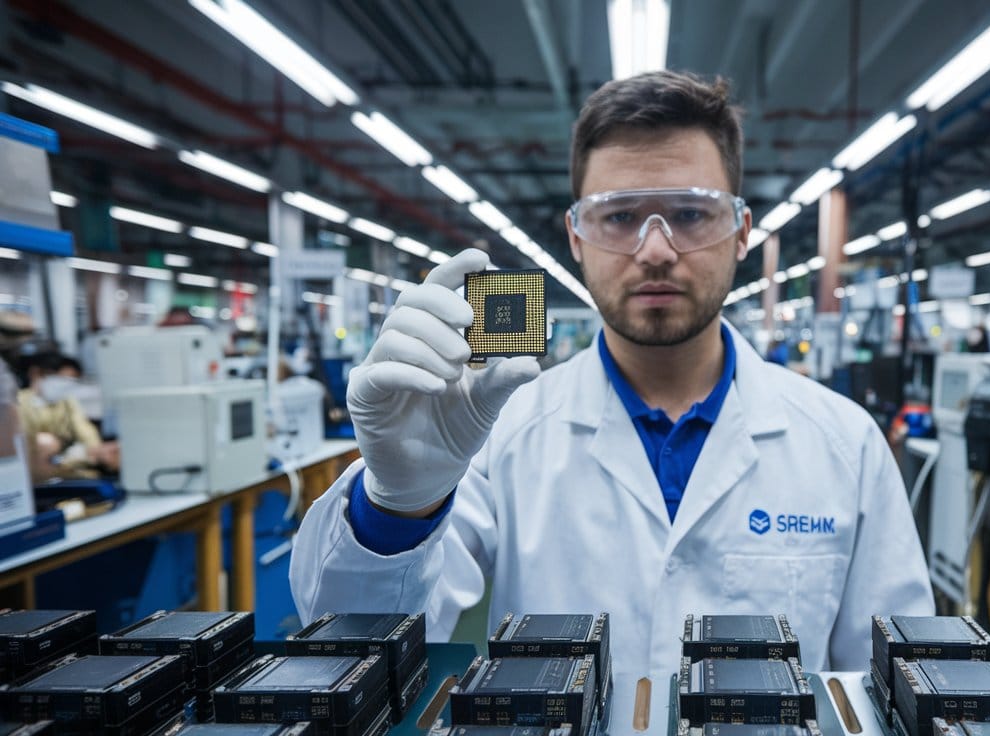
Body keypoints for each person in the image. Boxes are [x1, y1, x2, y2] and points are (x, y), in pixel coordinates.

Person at [290, 71, 931, 727]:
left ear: (741, 231)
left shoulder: (844, 445)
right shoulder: (501, 431)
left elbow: (895, 692)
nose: (656, 250)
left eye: (690, 214)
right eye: (619, 217)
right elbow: (359, 654)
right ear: (576, 238)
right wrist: (398, 507)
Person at [15, 350, 119, 482]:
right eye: (61, 380)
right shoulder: (19, 402)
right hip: (31, 462)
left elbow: (83, 427)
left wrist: (95, 451)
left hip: (63, 460)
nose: (65, 386)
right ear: (36, 373)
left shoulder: (67, 401)